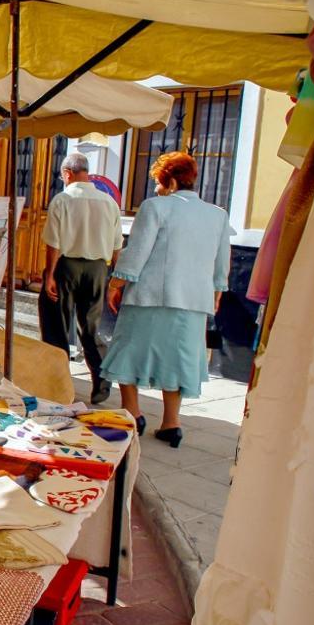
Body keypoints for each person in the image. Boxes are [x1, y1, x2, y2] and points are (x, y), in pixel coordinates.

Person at [101, 152, 231, 448]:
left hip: (150, 296)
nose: (157, 188)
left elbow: (138, 251)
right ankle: (172, 424)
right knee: (178, 360)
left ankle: (132, 413)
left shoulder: (155, 207)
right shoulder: (217, 215)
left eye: (158, 182)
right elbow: (222, 259)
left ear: (169, 181)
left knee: (127, 352)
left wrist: (116, 282)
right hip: (193, 301)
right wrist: (216, 291)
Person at [39, 152, 123, 405]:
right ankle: (101, 379)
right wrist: (113, 280)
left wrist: (49, 275)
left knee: (56, 324)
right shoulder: (109, 202)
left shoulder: (63, 199)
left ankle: (58, 381)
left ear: (67, 174)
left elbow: (53, 243)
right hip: (98, 267)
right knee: (91, 327)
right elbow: (117, 244)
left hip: (67, 266)